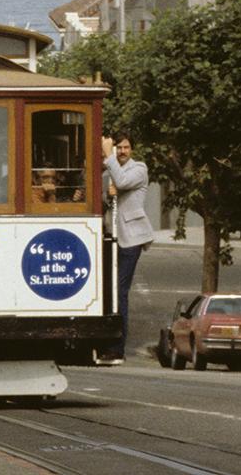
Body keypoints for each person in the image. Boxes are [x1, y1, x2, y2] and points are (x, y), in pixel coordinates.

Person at [100, 134, 152, 364]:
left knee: (120, 292)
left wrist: (108, 154)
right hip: (112, 237)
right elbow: (104, 200)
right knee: (107, 293)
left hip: (131, 239)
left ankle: (117, 348)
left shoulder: (139, 169)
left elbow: (121, 183)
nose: (122, 151)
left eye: (126, 147)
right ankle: (106, 344)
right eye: (118, 147)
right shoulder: (106, 174)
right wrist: (105, 195)